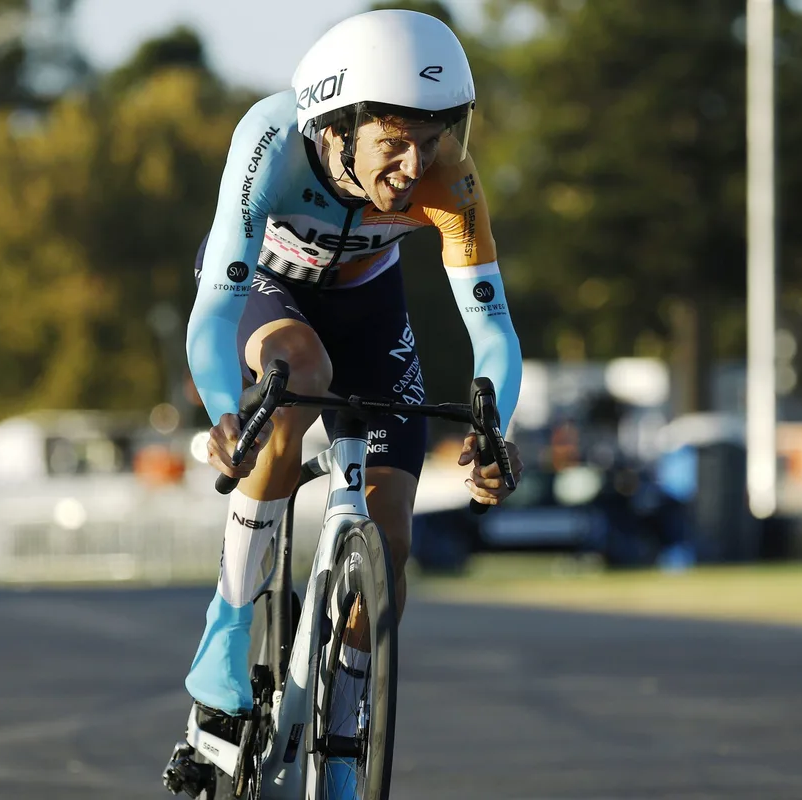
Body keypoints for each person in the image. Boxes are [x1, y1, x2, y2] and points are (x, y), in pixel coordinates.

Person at [182, 8, 525, 747]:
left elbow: (492, 330)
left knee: (392, 537)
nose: (413, 167)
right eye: (394, 143)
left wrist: (495, 430)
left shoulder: (449, 183)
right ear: (334, 127)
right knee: (303, 367)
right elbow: (214, 314)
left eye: (430, 141)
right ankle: (229, 628)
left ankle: (341, 743)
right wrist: (223, 413)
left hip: (371, 312)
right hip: (266, 296)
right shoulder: (271, 142)